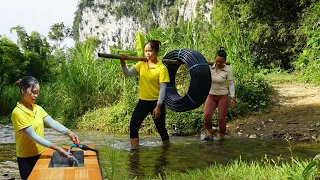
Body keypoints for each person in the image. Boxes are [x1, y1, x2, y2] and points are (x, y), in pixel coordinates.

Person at [11, 76, 80, 180]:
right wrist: (57, 149)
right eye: (33, 92)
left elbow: (52, 122)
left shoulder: (37, 108)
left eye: (37, 92)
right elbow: (33, 136)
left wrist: (69, 133)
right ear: (23, 90)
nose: (35, 95)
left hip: (41, 154)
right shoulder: (18, 112)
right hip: (26, 159)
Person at [120, 40, 170, 149]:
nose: (147, 53)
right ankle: (134, 151)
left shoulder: (162, 68)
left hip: (156, 102)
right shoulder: (141, 64)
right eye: (146, 51)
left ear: (156, 51)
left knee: (161, 128)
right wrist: (122, 62)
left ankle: (167, 148)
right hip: (143, 101)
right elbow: (127, 74)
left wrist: (158, 107)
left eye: (150, 51)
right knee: (133, 125)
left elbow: (163, 89)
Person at [202, 47, 235, 141]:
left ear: (225, 61)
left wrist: (232, 97)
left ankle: (221, 137)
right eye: (217, 61)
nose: (218, 63)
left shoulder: (227, 70)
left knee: (221, 119)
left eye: (221, 62)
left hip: (222, 96)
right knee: (207, 116)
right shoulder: (210, 67)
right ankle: (209, 135)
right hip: (211, 95)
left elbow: (231, 84)